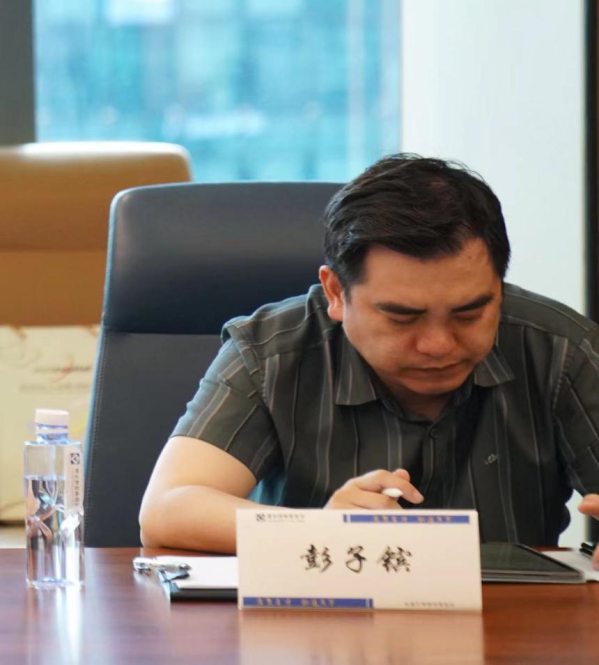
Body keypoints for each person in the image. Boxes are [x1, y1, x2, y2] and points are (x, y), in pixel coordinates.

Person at [139, 153, 599, 566]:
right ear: (336, 293)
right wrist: (321, 529)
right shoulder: (270, 352)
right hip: (321, 622)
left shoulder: (561, 350)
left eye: (469, 313)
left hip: (514, 621)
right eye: (403, 317)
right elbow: (167, 508)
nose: (438, 344)